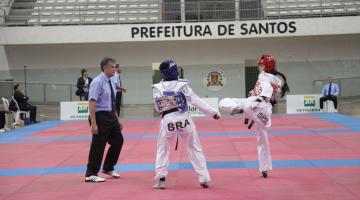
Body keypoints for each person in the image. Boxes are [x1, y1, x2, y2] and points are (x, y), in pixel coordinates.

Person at [152, 60, 221, 189]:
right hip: (184, 118)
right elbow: (196, 101)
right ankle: (204, 178)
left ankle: (161, 179)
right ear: (175, 71)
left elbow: (157, 107)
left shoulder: (157, 88)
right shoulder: (182, 85)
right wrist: (213, 113)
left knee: (163, 150)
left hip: (168, 120)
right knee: (195, 148)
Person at [219, 54, 289, 178]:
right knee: (263, 137)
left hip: (256, 104)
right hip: (262, 110)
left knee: (223, 103)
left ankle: (241, 110)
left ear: (267, 66)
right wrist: (256, 92)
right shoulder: (278, 80)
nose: (258, 67)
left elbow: (266, 89)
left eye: (261, 65)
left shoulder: (264, 75)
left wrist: (260, 98)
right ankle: (265, 168)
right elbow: (274, 97)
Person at [85, 57, 124, 183]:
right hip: (100, 116)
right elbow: (92, 102)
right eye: (112, 67)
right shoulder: (97, 81)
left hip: (111, 115)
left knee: (118, 140)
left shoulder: (111, 81)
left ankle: (108, 167)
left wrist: (117, 119)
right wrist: (93, 123)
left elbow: (112, 102)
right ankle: (90, 173)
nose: (115, 69)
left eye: (115, 67)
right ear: (105, 68)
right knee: (98, 145)